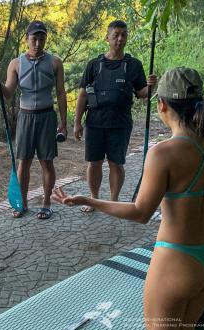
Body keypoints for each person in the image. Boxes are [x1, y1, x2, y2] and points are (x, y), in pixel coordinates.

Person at [54, 67, 204, 330]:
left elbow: (141, 213)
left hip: (177, 261)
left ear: (162, 104)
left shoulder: (163, 153)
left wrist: (90, 200)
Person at [74, 20, 157, 212]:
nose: (120, 39)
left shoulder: (133, 64)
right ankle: (94, 199)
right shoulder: (94, 65)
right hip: (94, 122)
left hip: (120, 123)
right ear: (107, 38)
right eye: (116, 35)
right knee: (94, 162)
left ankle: (113, 201)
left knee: (116, 163)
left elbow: (142, 93)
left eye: (124, 35)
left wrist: (151, 85)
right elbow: (82, 95)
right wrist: (77, 122)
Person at [0, 20, 68, 219]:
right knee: (23, 162)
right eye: (34, 38)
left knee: (46, 162)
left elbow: (60, 93)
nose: (37, 43)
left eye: (41, 39)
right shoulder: (16, 63)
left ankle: (46, 203)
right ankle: (22, 203)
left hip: (46, 116)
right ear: (27, 39)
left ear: (45, 39)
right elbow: (7, 94)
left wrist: (64, 122)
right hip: (25, 116)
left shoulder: (55, 62)